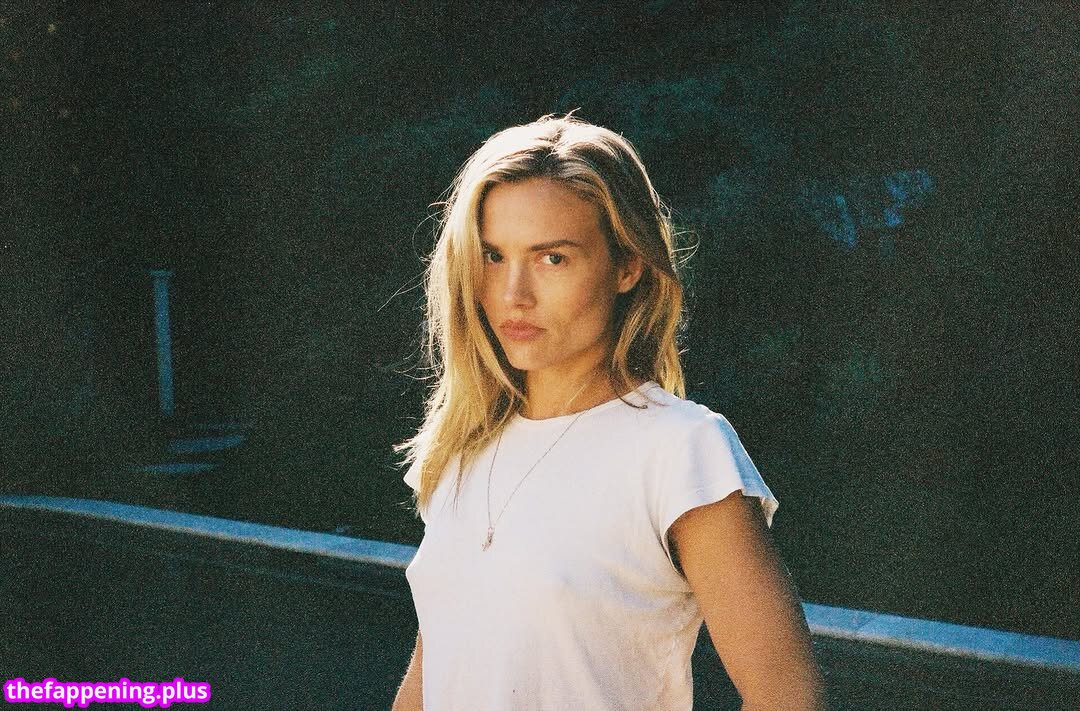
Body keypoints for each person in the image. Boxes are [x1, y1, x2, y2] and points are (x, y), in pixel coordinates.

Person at [391, 114, 826, 710]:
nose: (513, 294)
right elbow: (437, 670)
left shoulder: (680, 449)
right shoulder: (462, 447)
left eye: (552, 259)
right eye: (493, 256)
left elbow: (789, 698)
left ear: (627, 266)